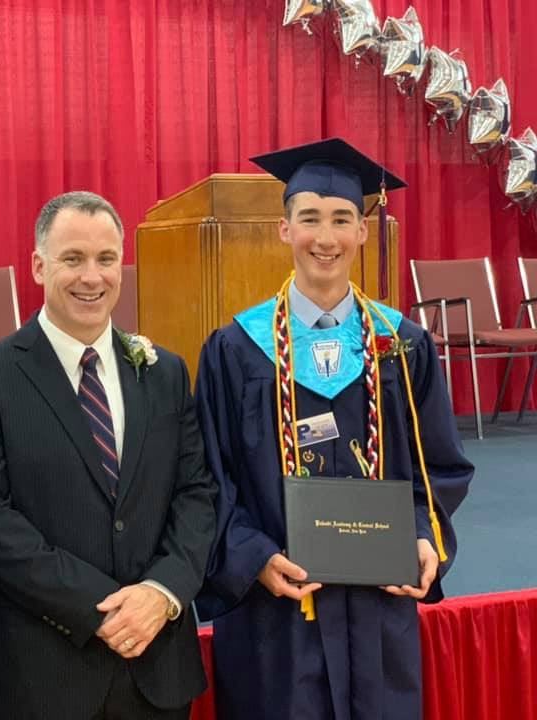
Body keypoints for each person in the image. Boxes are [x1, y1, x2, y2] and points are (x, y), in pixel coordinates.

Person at [195, 138, 473, 720]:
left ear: (364, 232)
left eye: (343, 218)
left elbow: (440, 465)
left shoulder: (401, 345)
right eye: (310, 219)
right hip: (279, 605)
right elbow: (208, 476)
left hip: (376, 606)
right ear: (283, 229)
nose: (326, 237)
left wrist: (422, 537)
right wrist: (253, 558)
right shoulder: (236, 350)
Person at [0, 191, 217, 719]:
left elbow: (196, 494)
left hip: (155, 668)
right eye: (72, 259)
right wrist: (105, 610)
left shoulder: (165, 373)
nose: (92, 277)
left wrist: (161, 593)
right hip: (39, 675)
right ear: (39, 267)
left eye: (106, 259)